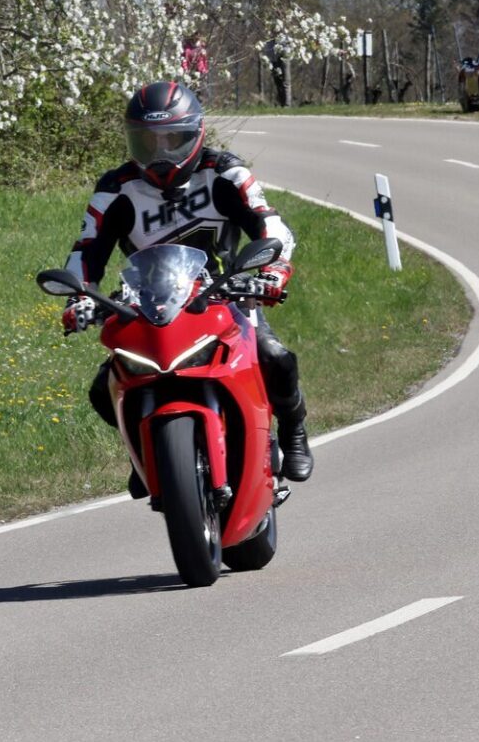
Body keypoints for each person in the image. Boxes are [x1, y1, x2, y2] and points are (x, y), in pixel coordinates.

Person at [61, 80, 313, 490]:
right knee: (102, 389)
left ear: (196, 135)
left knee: (275, 356)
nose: (160, 155)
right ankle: (145, 450)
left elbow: (271, 225)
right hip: (148, 304)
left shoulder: (226, 173)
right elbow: (87, 249)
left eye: (172, 140)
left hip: (225, 295)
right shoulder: (114, 189)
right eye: (147, 143)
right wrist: (78, 296)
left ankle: (293, 431)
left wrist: (273, 272)